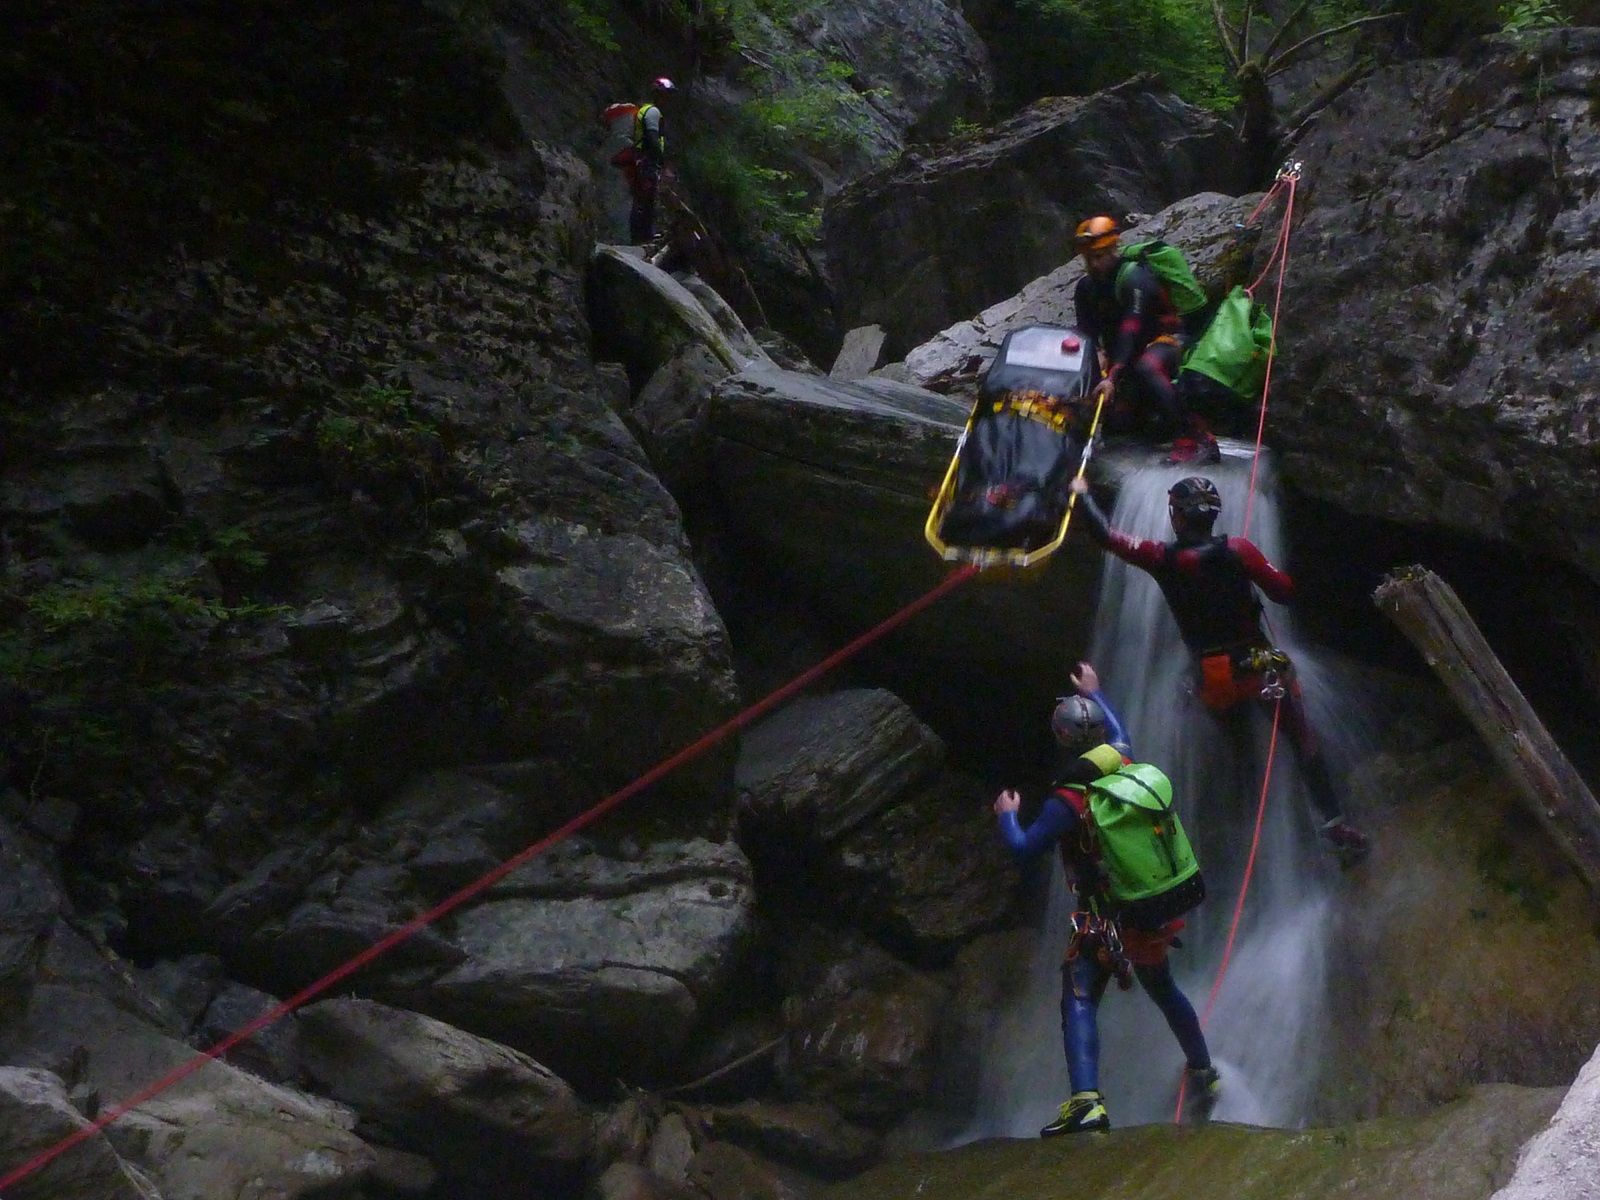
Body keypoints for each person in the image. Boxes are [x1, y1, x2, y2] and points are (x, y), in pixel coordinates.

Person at [1069, 473, 1370, 860]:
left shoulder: (1161, 557)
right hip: (1259, 668)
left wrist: (1082, 494)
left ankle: (1250, 828)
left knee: (1238, 744)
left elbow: (1106, 535)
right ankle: (1332, 823)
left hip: (1212, 676)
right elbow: (1283, 591)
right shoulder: (1240, 551)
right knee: (1302, 737)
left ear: (1177, 517)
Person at [993, 661, 1220, 1136]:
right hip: (1150, 907)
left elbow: (1023, 850)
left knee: (1078, 995)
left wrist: (1007, 815)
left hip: (1106, 918)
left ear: (1061, 739)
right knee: (1163, 989)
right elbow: (1119, 731)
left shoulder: (1067, 801)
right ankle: (1204, 1070)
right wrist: (1096, 691)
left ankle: (1086, 1102)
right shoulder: (1123, 761)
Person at [1072, 216, 1219, 465]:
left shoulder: (1134, 278)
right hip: (1127, 352)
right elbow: (1087, 334)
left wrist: (1112, 376)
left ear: (1113, 250)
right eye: (1088, 258)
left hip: (1169, 340)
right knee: (1118, 422)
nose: (1094, 264)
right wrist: (1097, 359)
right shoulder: (1085, 288)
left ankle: (1195, 438)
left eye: (1099, 256)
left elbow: (1131, 329)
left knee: (1147, 367)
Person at [606, 77, 676, 245]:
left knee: (639, 199)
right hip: (641, 162)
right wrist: (662, 162)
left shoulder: (643, 111)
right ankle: (639, 239)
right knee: (642, 200)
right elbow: (652, 138)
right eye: (665, 95)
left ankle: (637, 238)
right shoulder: (652, 112)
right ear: (657, 95)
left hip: (635, 160)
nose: (667, 100)